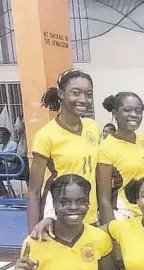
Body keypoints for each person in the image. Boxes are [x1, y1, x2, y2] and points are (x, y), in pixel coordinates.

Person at [28, 69, 101, 230]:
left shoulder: (93, 127)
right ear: (61, 94)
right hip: (60, 217)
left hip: (90, 214)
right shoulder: (46, 135)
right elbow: (34, 191)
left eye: (88, 94)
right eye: (76, 93)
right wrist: (32, 233)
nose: (84, 99)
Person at [97, 92, 144, 224]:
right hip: (124, 215)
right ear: (115, 113)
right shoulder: (106, 148)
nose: (134, 115)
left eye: (138, 111)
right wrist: (111, 229)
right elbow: (103, 198)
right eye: (127, 110)